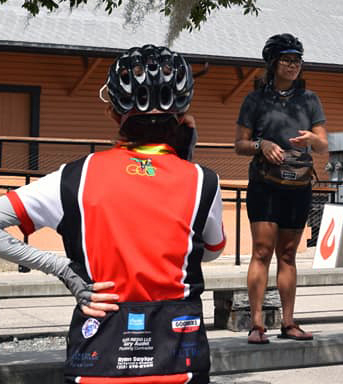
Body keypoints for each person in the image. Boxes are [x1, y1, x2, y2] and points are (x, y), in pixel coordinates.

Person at [0, 44, 226, 384]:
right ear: (181, 118)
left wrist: (63, 268)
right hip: (180, 360)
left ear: (112, 114)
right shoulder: (203, 182)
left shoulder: (75, 176)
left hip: (97, 360)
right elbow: (212, 251)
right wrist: (184, 160)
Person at [234, 33, 327, 344]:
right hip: (265, 185)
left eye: (298, 60)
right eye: (287, 60)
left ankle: (289, 323)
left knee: (288, 254)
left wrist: (314, 141)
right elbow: (240, 145)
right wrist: (263, 145)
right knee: (261, 251)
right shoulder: (255, 99)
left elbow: (324, 145)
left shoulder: (310, 99)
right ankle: (256, 324)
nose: (293, 65)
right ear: (273, 63)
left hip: (298, 184)